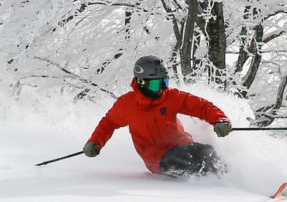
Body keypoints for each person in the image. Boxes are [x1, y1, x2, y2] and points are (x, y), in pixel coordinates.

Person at [83, 55, 233, 177]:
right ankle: (214, 189)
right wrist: (95, 142)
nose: (161, 89)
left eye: (164, 82)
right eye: (156, 84)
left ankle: (232, 179)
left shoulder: (171, 97)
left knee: (210, 153)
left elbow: (202, 106)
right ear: (141, 82)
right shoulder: (127, 104)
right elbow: (109, 122)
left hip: (183, 145)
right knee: (190, 163)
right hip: (157, 158)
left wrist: (220, 120)